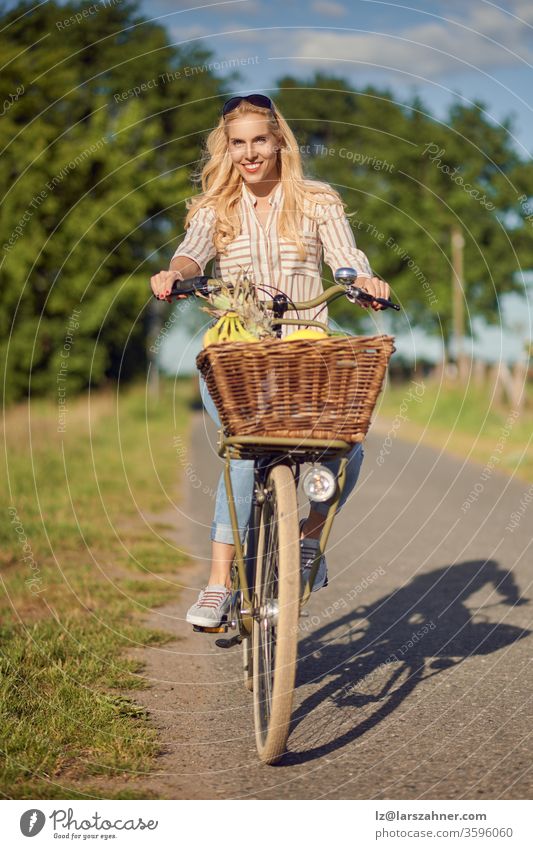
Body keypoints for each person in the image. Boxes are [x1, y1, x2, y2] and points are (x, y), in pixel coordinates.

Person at [150, 93, 390, 628]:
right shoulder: (215, 208)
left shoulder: (316, 201)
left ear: (279, 139)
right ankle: (218, 587)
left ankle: (306, 541)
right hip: (238, 356)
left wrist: (363, 283)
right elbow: (191, 252)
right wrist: (174, 273)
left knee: (346, 451)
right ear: (227, 147)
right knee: (240, 454)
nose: (250, 153)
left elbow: (347, 260)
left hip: (306, 353)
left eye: (260, 139)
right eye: (238, 143)